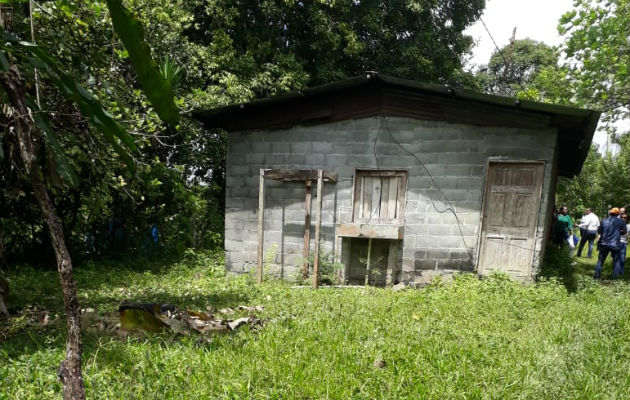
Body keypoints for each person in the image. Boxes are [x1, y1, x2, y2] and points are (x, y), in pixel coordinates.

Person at [594, 207, 627, 279]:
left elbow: (599, 231)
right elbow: (625, 232)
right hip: (615, 244)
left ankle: (596, 276)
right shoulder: (621, 221)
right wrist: (619, 232)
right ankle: (615, 278)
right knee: (616, 261)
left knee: (600, 261)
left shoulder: (604, 221)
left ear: (610, 213)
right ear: (618, 214)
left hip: (604, 244)